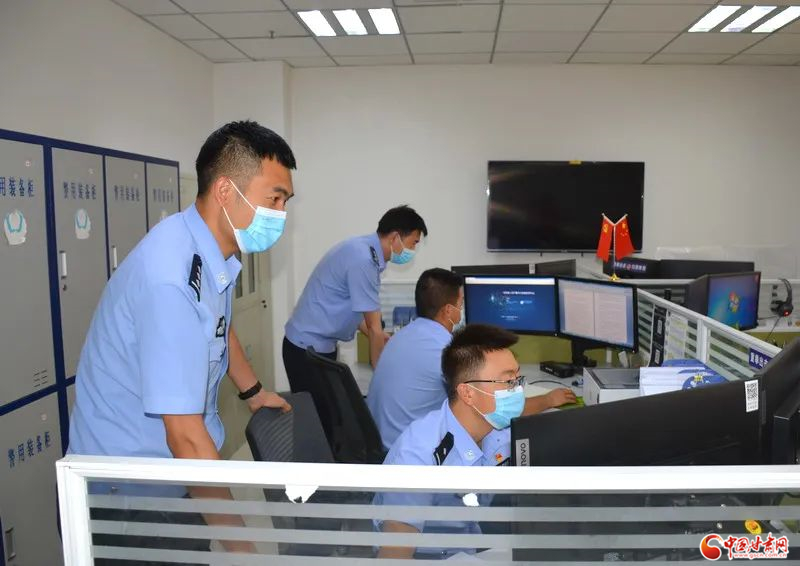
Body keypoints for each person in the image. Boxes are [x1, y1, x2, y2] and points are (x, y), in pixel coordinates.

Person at [68, 120, 296, 559]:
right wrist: (246, 549)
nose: (281, 214)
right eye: (274, 198)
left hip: (173, 478)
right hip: (130, 499)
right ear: (226, 191)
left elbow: (218, 326)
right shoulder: (171, 276)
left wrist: (252, 392)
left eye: (286, 201)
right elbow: (186, 437)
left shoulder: (209, 253)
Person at [374, 324, 566, 559]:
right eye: (507, 382)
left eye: (518, 379)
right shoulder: (419, 456)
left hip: (469, 545)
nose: (517, 391)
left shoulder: (498, 430)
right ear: (467, 393)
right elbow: (394, 556)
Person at [367, 268, 575, 450]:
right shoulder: (444, 349)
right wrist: (549, 400)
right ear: (448, 311)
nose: (463, 310)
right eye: (461, 303)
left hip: (386, 438)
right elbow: (495, 406)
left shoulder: (404, 334)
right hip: (413, 450)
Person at [283, 205, 428, 396]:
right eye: (413, 243)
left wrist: (378, 336)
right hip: (306, 349)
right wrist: (382, 379)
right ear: (395, 237)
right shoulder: (364, 260)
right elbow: (374, 326)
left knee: (328, 409)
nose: (413, 250)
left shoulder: (363, 250)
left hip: (315, 346)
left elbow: (357, 310)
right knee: (315, 412)